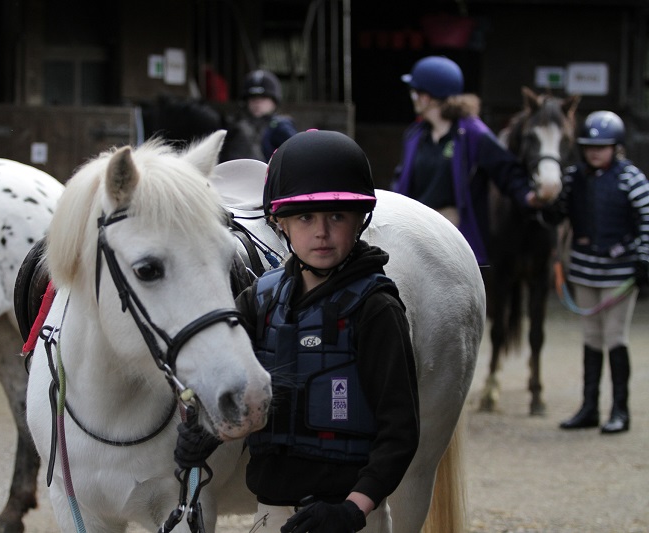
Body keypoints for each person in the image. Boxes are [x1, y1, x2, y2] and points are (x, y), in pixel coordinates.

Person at [176, 130, 420, 532]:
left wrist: (354, 509)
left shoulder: (377, 309)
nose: (321, 231)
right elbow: (226, 371)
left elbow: (400, 432)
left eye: (336, 216)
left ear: (360, 220)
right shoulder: (260, 300)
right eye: (305, 217)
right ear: (280, 222)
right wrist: (206, 430)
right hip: (272, 512)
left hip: (351, 515)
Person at [550, 111, 649, 434]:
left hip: (619, 274)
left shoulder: (631, 178)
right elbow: (558, 211)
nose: (595, 152)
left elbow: (647, 220)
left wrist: (643, 259)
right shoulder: (573, 177)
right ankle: (589, 407)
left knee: (614, 338)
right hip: (583, 271)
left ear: (616, 147)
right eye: (590, 146)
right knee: (591, 338)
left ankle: (620, 410)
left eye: (602, 146)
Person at [392, 55, 539, 265]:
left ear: (427, 96)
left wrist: (528, 196)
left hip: (454, 237)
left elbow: (505, 169)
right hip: (417, 235)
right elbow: (401, 181)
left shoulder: (472, 133)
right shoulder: (414, 135)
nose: (412, 96)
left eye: (415, 91)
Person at [223, 69, 297, 163]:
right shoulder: (236, 125)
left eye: (263, 98)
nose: (258, 103)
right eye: (253, 99)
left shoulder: (280, 125)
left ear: (274, 102)